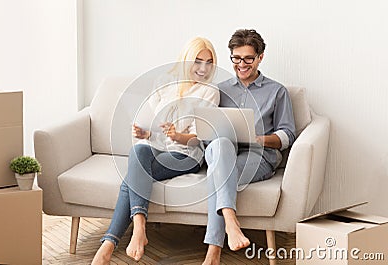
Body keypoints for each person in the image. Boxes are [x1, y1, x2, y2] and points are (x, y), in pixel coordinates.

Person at [91, 37, 219, 265]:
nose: (203, 68)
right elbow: (162, 129)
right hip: (160, 148)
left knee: (130, 179)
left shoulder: (209, 91)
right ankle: (139, 227)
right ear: (186, 60)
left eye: (209, 63)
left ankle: (109, 246)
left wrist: (178, 135)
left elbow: (200, 137)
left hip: (187, 155)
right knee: (139, 151)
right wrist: (148, 134)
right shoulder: (166, 85)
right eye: (198, 61)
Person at [202, 29, 296, 265]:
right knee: (221, 145)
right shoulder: (219, 90)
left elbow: (287, 135)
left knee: (218, 172)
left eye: (248, 59)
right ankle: (231, 223)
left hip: (259, 156)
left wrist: (260, 139)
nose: (241, 64)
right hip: (223, 152)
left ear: (260, 57)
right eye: (236, 58)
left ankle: (213, 253)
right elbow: (206, 129)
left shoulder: (276, 91)